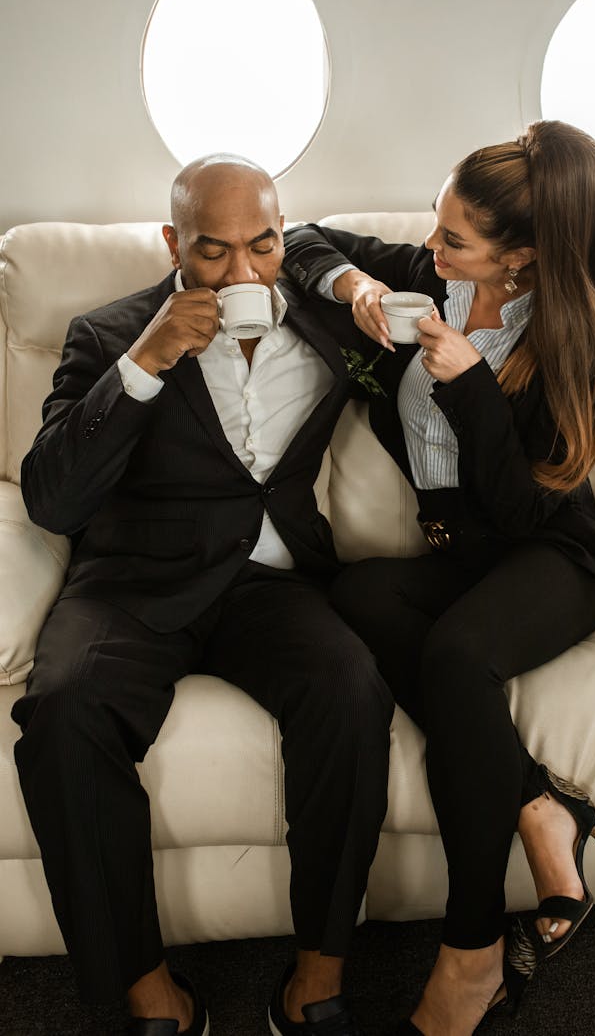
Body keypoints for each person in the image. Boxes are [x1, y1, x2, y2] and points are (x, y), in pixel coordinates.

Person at [281, 120, 595, 1036]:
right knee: (356, 596)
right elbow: (303, 238)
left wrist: (472, 385)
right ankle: (541, 803)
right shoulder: (428, 278)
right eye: (434, 231)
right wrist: (356, 283)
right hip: (460, 552)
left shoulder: (576, 339)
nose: (432, 250)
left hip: (556, 553)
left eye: (454, 239)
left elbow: (521, 512)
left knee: (457, 657)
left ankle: (470, 954)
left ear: (519, 257)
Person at [12, 155, 395, 1036]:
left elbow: (439, 305)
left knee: (352, 689)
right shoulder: (107, 334)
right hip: (135, 584)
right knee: (63, 714)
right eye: (215, 252)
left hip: (272, 584)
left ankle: (317, 982)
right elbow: (51, 498)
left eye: (262, 245)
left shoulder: (330, 323)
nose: (245, 272)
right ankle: (154, 999)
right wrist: (147, 361)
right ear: (172, 243)